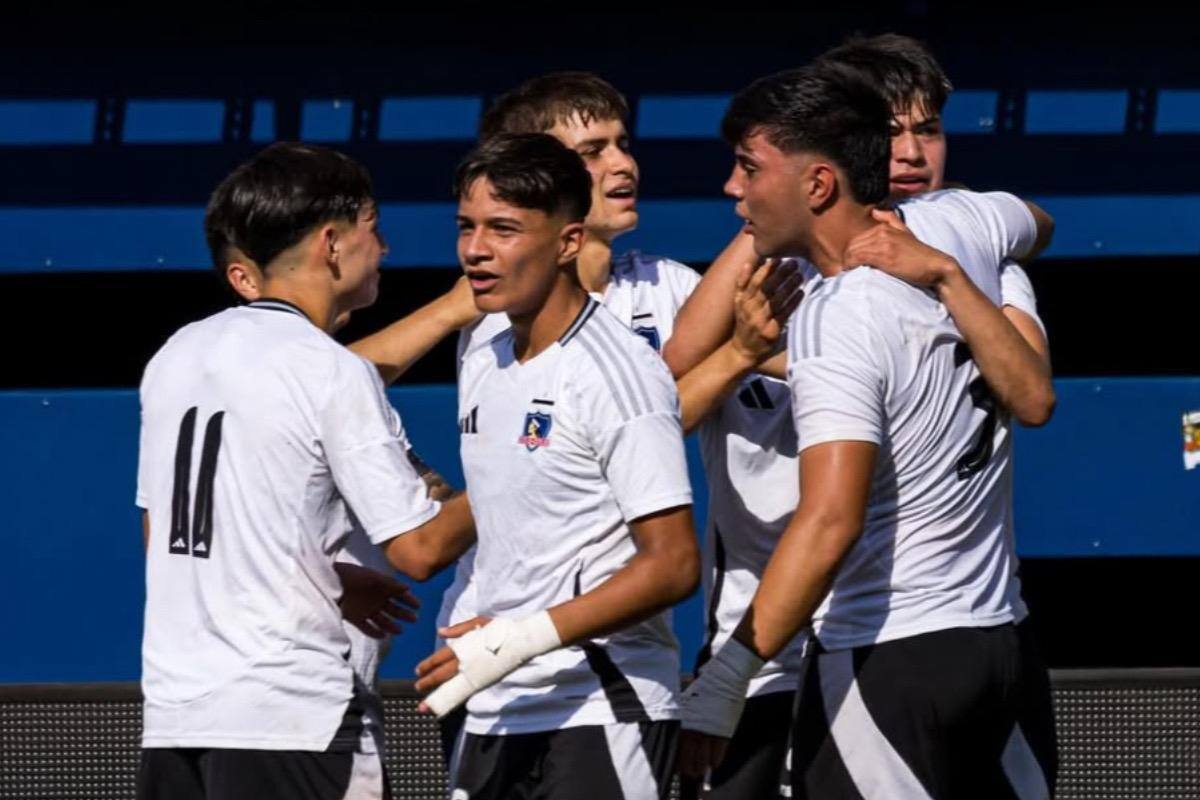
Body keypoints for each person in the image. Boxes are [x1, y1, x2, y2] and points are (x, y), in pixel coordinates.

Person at [679, 62, 1057, 798]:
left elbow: (830, 518)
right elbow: (1037, 223)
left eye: (749, 169)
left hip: (887, 659)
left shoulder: (835, 312)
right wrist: (953, 273)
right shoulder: (961, 223)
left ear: (818, 185)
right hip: (1001, 644)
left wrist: (728, 676)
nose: (733, 189)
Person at [135, 142, 475, 800]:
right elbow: (420, 548)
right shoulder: (332, 369)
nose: (385, 248)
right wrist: (521, 470)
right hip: (295, 718)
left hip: (178, 718)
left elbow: (166, 541)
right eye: (373, 227)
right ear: (331, 243)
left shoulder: (176, 354)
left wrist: (324, 579)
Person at [413, 132, 700, 800]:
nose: (475, 251)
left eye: (503, 230)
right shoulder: (483, 346)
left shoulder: (618, 371)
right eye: (467, 227)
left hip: (602, 706)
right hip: (490, 703)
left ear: (569, 241)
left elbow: (673, 563)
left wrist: (518, 638)